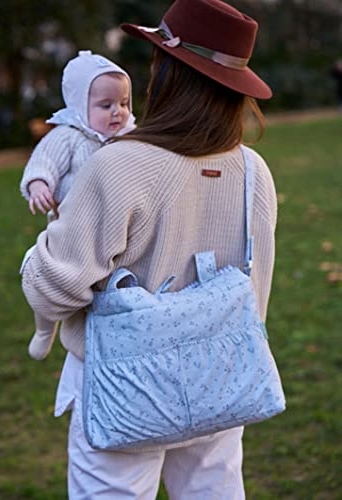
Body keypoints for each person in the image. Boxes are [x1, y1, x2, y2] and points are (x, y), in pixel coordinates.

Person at [21, 0, 277, 497]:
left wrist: (39, 251)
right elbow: (256, 289)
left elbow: (53, 291)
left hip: (124, 387)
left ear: (168, 72)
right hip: (221, 383)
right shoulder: (253, 174)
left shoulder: (119, 166)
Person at [20, 50, 135, 360]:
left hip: (113, 227)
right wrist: (39, 184)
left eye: (124, 104)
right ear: (79, 104)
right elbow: (42, 163)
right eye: (105, 105)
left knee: (101, 287)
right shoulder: (67, 137)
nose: (118, 113)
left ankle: (104, 335)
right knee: (51, 279)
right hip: (69, 226)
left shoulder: (129, 137)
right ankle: (45, 327)